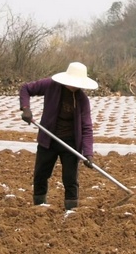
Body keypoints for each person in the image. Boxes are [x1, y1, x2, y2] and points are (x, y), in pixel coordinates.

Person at [19, 61, 98, 209]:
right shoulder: (51, 85)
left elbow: (86, 127)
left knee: (70, 179)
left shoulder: (82, 100)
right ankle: (39, 207)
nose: (75, 86)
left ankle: (71, 210)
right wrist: (25, 109)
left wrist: (88, 153)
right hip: (48, 139)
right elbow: (25, 89)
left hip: (71, 143)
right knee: (41, 175)